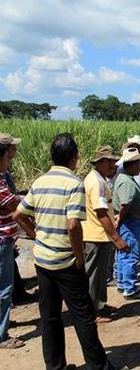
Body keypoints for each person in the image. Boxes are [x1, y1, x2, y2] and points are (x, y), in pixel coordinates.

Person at [15, 133, 114, 369]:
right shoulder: (73, 184)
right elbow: (73, 225)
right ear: (74, 158)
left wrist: (35, 235)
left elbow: (19, 214)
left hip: (43, 261)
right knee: (84, 316)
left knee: (49, 319)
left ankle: (55, 366)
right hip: (66, 263)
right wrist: (78, 255)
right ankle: (97, 365)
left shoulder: (39, 182)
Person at [82, 146, 130, 323]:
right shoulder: (97, 182)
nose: (113, 165)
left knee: (100, 275)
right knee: (94, 277)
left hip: (100, 235)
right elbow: (101, 212)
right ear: (101, 162)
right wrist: (116, 238)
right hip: (96, 236)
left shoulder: (98, 179)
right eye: (110, 162)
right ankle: (94, 311)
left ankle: (100, 306)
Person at [0, 141, 35, 350]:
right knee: (4, 289)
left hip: (5, 241)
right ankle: (2, 336)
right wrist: (35, 234)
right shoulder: (1, 186)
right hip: (2, 241)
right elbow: (18, 211)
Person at [113, 147, 140, 300]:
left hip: (130, 221)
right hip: (131, 222)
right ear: (132, 164)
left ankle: (123, 283)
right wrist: (120, 219)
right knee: (131, 255)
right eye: (138, 163)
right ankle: (130, 287)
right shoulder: (126, 181)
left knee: (124, 253)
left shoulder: (124, 178)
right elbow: (125, 204)